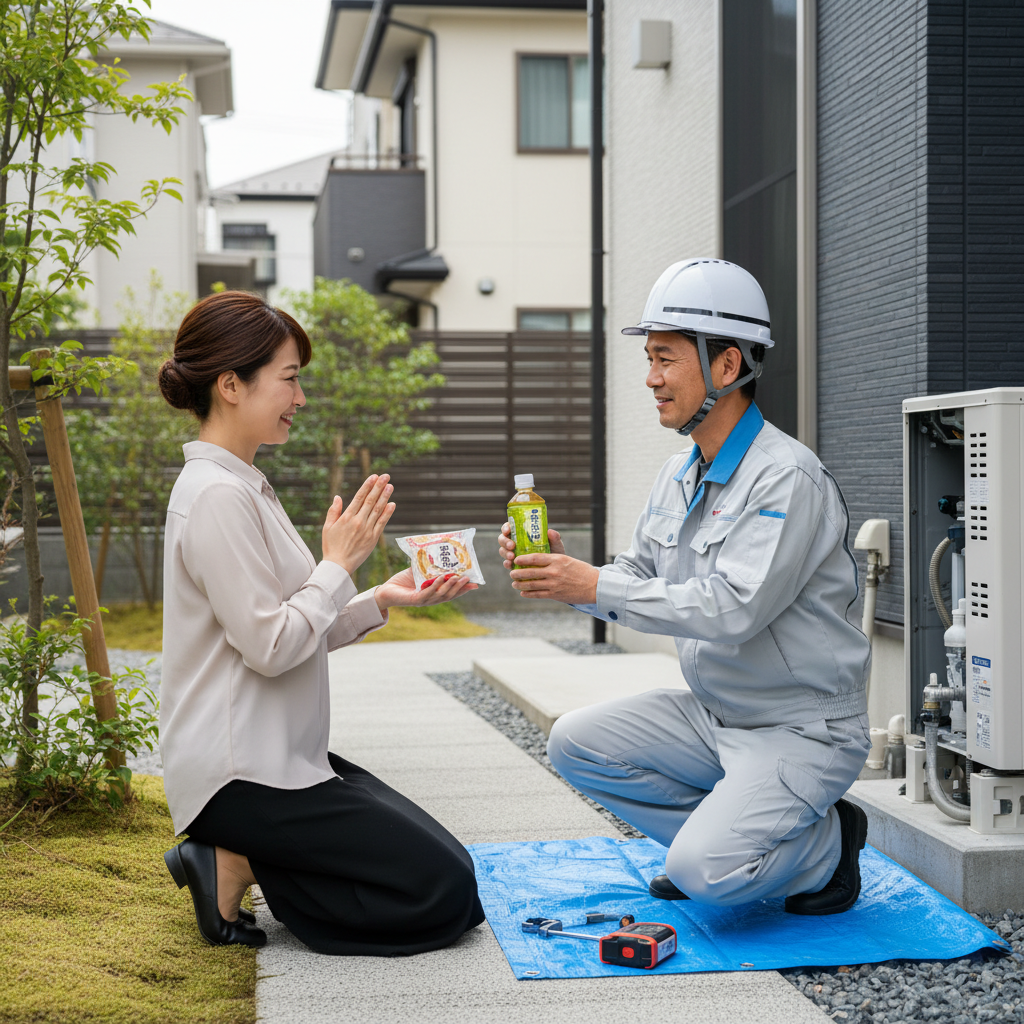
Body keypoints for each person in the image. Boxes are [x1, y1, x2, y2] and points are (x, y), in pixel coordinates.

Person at [498, 259, 872, 915]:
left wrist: (592, 583)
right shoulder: (679, 472)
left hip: (799, 728)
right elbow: (639, 574)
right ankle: (732, 839)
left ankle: (828, 845)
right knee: (575, 741)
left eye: (665, 358)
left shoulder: (786, 479)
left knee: (705, 876)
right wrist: (568, 575)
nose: (651, 378)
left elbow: (734, 610)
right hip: (715, 716)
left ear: (727, 367)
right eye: (649, 358)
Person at [157, 290, 485, 953]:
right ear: (229, 385)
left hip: (278, 757)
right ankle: (233, 860)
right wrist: (336, 565)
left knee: (450, 863)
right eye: (289, 378)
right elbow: (273, 648)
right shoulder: (218, 496)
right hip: (240, 773)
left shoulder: (243, 484)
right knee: (445, 891)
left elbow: (293, 629)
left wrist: (381, 598)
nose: (299, 399)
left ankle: (236, 859)